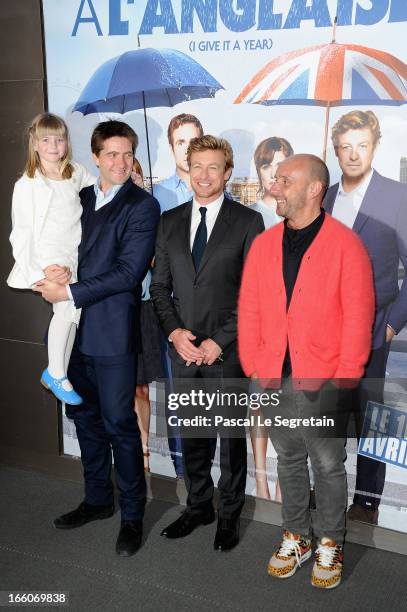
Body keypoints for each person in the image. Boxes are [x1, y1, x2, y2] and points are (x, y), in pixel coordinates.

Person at [238, 154, 375, 588]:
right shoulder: (263, 244)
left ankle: (331, 541)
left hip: (325, 380)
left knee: (327, 465)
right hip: (274, 378)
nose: (275, 187)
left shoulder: (345, 244)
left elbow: (358, 315)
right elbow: (250, 309)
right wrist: (256, 368)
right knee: (289, 460)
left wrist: (345, 376)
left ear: (314, 188)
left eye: (285, 180)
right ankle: (296, 536)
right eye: (276, 179)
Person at [34, 120, 160, 557]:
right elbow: (59, 243)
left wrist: (68, 289)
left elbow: (129, 274)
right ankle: (96, 500)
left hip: (112, 333)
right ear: (96, 157)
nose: (121, 163)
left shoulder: (143, 206)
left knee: (120, 425)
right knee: (84, 419)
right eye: (111, 154)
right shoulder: (81, 196)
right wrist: (50, 272)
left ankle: (131, 516)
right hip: (72, 332)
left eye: (127, 154)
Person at [151, 135, 264, 551]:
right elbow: (160, 288)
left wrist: (220, 341)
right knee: (193, 435)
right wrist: (175, 332)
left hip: (227, 353)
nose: (203, 175)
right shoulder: (169, 221)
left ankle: (228, 515)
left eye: (213, 167)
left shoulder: (248, 222)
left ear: (228, 173)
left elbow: (254, 295)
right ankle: (199, 506)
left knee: (231, 442)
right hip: (182, 351)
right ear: (187, 168)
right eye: (196, 165)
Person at [324, 109, 407, 525]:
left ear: (374, 146)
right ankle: (328, 493)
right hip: (325, 335)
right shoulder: (322, 197)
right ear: (336, 150)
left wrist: (393, 322)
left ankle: (368, 502)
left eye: (362, 145)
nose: (353, 154)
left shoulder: (397, 196)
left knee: (373, 419)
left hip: (375, 330)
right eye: (346, 147)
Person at [7, 113, 95, 405]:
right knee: (68, 307)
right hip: (48, 262)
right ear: (34, 144)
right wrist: (40, 272)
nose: (54, 145)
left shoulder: (74, 172)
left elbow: (99, 186)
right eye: (46, 140)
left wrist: (124, 181)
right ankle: (56, 373)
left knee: (73, 312)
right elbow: (20, 234)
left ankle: (54, 372)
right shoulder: (27, 185)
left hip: (71, 259)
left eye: (59, 139)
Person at [250, 136, 294, 500]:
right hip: (261, 323)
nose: (272, 173)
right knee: (259, 402)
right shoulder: (250, 215)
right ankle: (261, 480)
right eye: (266, 165)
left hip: (294, 322)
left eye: (280, 164)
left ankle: (285, 480)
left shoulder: (301, 214)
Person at [131, 158, 164, 472]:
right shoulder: (109, 216)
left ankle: (143, 450)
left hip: (144, 309)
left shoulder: (152, 214)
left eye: (137, 173)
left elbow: (159, 264)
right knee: (120, 385)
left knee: (141, 387)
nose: (133, 177)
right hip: (115, 309)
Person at [153, 113, 204, 213]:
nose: (188, 150)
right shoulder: (156, 194)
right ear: (172, 149)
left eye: (194, 142)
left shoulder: (218, 192)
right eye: (180, 143)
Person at [252, 136, 294, 228]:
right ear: (259, 172)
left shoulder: (302, 216)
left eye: (279, 165)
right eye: (266, 167)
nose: (273, 174)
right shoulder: (246, 216)